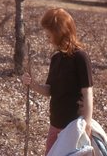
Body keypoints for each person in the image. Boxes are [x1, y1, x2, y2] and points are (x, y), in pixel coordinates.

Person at [22, 8, 93, 155]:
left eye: (49, 32)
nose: (47, 36)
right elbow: (49, 90)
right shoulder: (56, 58)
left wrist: (88, 122)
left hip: (74, 125)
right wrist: (32, 84)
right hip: (55, 123)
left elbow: (87, 92)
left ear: (60, 32)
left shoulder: (80, 57)